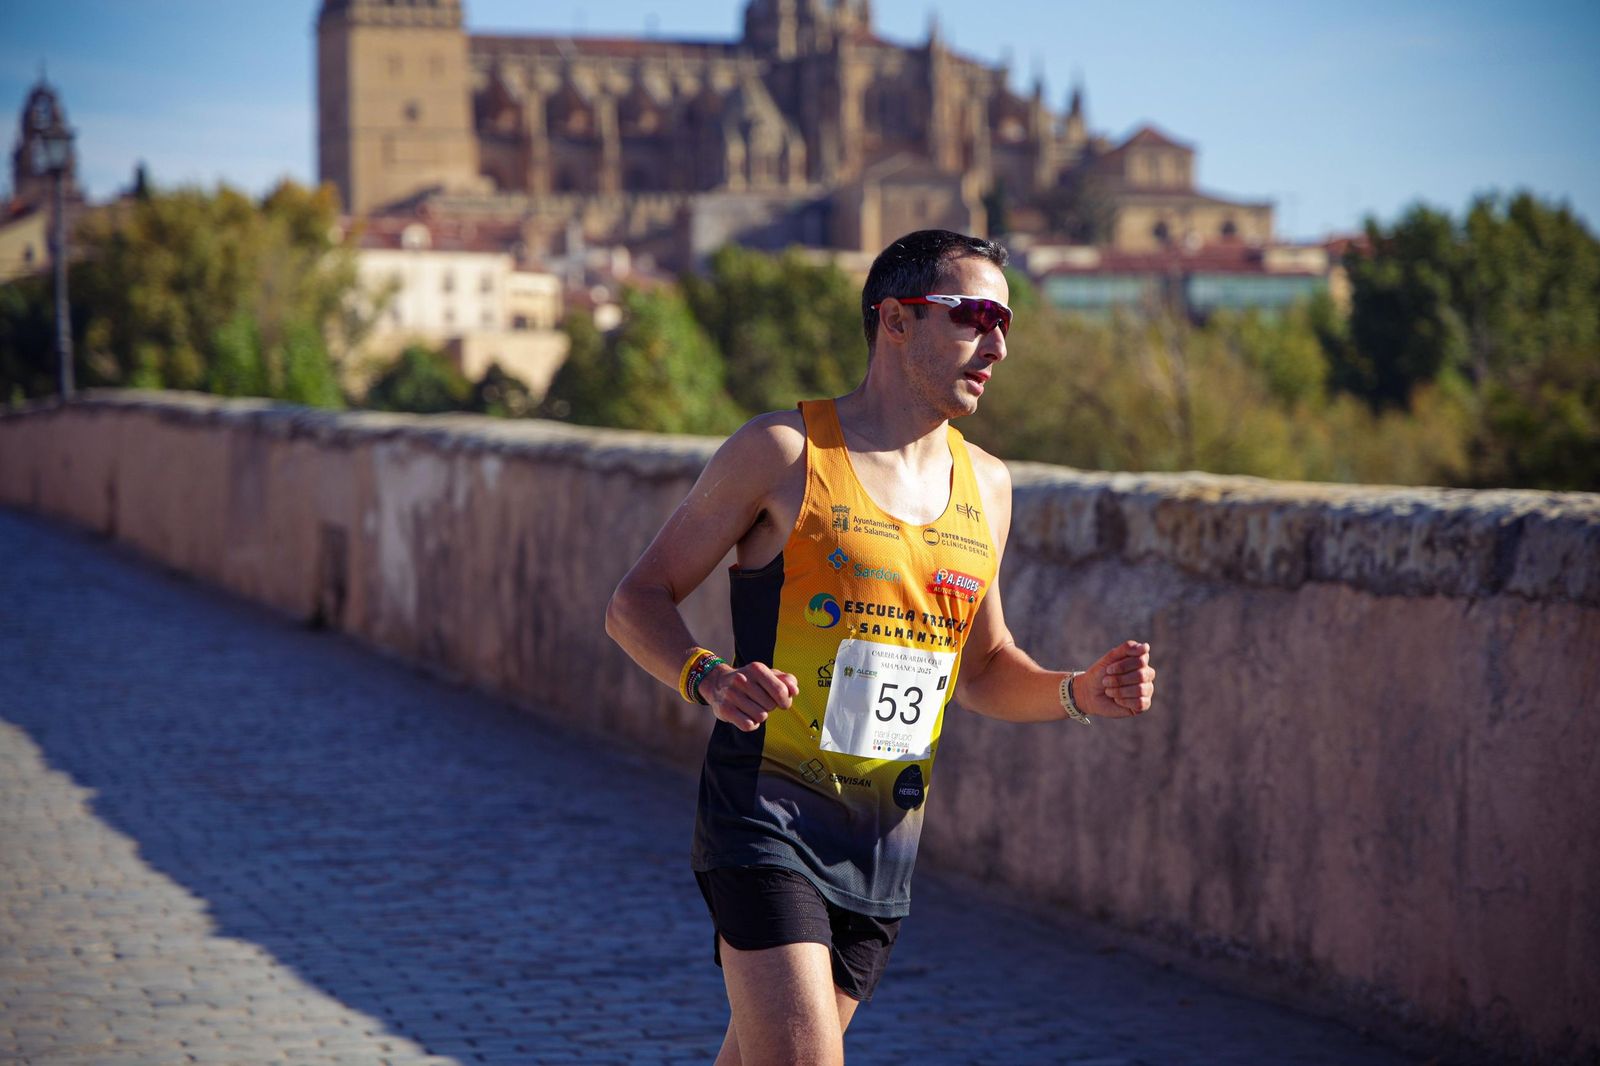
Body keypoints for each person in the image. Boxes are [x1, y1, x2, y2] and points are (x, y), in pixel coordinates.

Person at [606, 229, 1155, 1065]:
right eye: (973, 316)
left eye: (1006, 322)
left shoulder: (990, 487)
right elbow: (635, 601)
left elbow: (984, 668)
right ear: (895, 320)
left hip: (881, 847)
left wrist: (1079, 690)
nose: (998, 345)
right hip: (767, 818)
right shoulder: (784, 452)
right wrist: (707, 675)